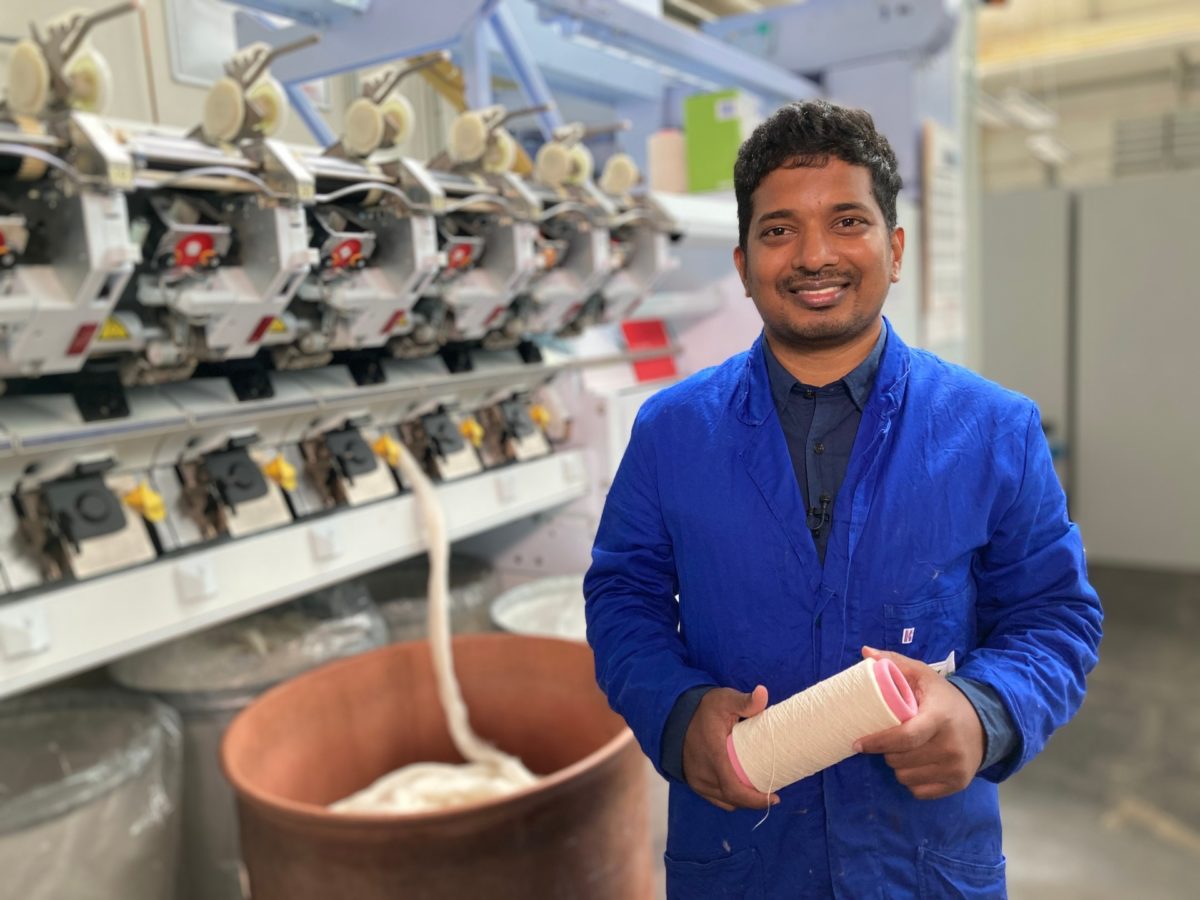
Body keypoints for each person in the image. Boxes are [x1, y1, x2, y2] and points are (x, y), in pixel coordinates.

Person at [583, 99, 1102, 898]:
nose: (813, 255)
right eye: (779, 229)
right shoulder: (672, 433)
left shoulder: (993, 428)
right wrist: (679, 713)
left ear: (895, 250)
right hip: (740, 857)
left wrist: (984, 710)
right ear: (745, 263)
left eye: (847, 221)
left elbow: (1056, 616)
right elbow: (624, 599)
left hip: (922, 863)